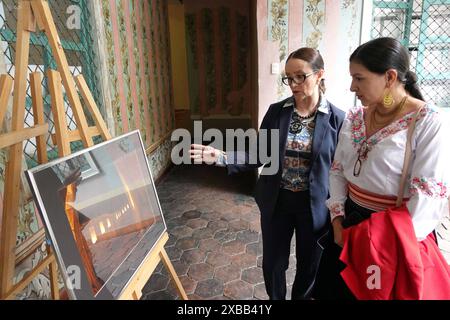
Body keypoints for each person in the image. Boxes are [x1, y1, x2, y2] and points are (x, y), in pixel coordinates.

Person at [190, 47, 345, 300]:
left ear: (319, 75)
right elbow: (260, 154)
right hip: (277, 201)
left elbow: (340, 170)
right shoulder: (277, 111)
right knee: (273, 264)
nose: (293, 84)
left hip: (315, 205)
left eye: (300, 76)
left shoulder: (337, 119)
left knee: (309, 265)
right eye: (288, 78)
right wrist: (221, 156)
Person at [325, 37, 450, 299]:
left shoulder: (427, 123)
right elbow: (337, 170)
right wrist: (338, 220)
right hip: (349, 224)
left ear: (390, 77)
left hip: (391, 236)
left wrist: (375, 243)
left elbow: (426, 201)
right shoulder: (355, 117)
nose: (351, 87)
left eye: (359, 78)